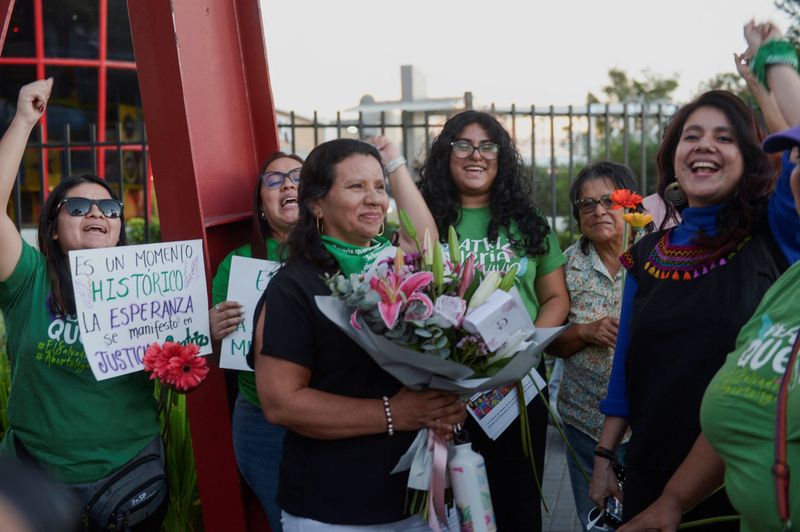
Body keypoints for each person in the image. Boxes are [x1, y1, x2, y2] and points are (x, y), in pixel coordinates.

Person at [591, 53, 800, 527]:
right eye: (693, 136)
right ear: (674, 156)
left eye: (725, 138)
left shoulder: (774, 235)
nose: (705, 146)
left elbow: (794, 154)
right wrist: (604, 457)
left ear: (749, 158)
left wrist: (770, 69)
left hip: (744, 475)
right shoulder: (644, 253)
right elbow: (625, 363)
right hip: (649, 475)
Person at [252, 138, 466, 530]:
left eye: (379, 187)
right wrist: (394, 413)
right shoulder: (294, 286)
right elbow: (281, 403)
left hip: (414, 502)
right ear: (316, 203)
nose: (374, 199)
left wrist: (443, 402)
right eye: (356, 187)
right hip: (334, 509)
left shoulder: (397, 268)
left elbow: (429, 246)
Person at [0, 80, 165, 529]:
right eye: (78, 206)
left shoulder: (148, 286)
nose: (96, 214)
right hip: (35, 478)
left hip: (129, 479)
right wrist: (23, 121)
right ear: (52, 228)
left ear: (118, 227)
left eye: (109, 208)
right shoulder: (28, 277)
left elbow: (177, 355)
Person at [418, 110, 570, 531]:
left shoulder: (529, 223)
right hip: (446, 392)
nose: (475, 155)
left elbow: (556, 297)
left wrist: (521, 352)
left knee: (517, 503)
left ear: (501, 157)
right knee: (450, 507)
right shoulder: (426, 220)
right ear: (445, 156)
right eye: (462, 145)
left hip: (516, 389)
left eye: (487, 146)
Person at [547, 161, 648, 530]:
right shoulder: (566, 266)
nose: (598, 211)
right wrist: (585, 332)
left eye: (608, 200)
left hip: (646, 425)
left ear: (631, 204)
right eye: (586, 204)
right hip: (585, 425)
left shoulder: (658, 257)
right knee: (599, 522)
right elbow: (548, 344)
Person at [209, 150, 304, 531]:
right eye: (274, 180)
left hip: (331, 409)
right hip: (261, 420)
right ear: (262, 205)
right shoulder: (237, 263)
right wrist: (213, 328)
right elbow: (218, 345)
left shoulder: (339, 251)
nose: (288, 184)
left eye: (298, 176)